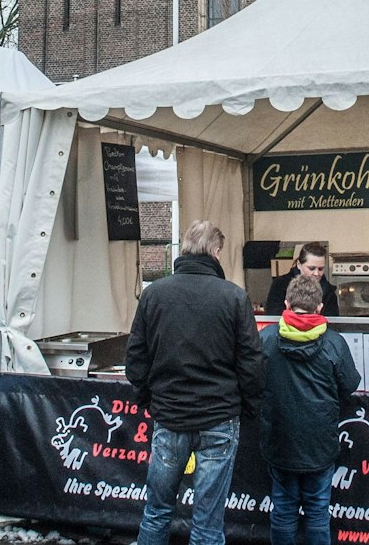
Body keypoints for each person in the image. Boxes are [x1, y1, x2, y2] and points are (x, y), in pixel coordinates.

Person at [126, 220, 264, 545]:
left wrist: (148, 400)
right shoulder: (233, 297)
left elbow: (135, 358)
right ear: (216, 252)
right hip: (219, 418)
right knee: (208, 521)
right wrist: (247, 406)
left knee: (157, 511)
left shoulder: (154, 294)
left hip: (169, 416)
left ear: (185, 249)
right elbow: (252, 363)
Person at [258, 276, 360, 545]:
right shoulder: (333, 342)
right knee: (317, 513)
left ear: (287, 303)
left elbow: (251, 383)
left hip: (279, 440)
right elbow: (349, 384)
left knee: (283, 509)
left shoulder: (266, 339)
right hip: (319, 443)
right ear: (320, 307)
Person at [262, 242, 339, 317]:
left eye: (321, 269)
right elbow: (273, 317)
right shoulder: (280, 285)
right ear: (299, 264)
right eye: (311, 268)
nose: (316, 273)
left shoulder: (330, 292)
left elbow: (334, 323)